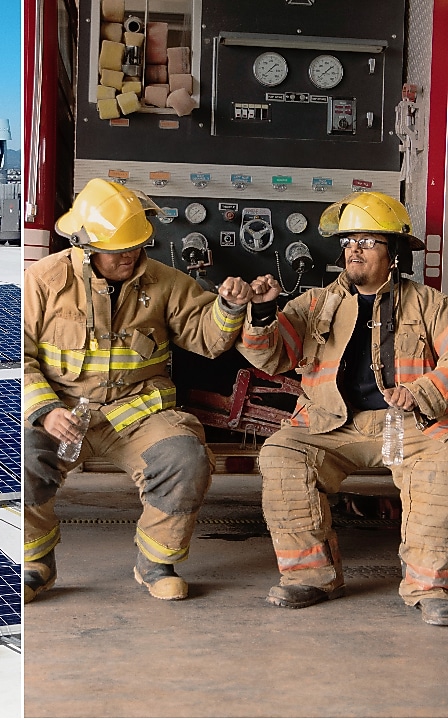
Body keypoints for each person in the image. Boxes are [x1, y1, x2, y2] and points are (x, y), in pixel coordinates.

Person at [24, 178, 252, 603]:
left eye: (136, 245)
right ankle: (35, 562)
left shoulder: (166, 282)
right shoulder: (42, 281)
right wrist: (45, 410)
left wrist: (229, 307)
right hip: (63, 414)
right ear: (87, 246)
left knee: (185, 458)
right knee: (20, 458)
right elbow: (14, 355)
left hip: (138, 414)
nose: (130, 255)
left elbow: (209, 339)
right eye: (119, 249)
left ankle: (155, 562)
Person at [238, 190, 448, 625]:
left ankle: (430, 586)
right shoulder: (316, 303)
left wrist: (423, 391)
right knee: (282, 455)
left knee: (444, 463)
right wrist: (262, 314)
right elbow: (275, 355)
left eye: (368, 241)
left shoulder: (429, 303)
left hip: (409, 424)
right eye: (350, 241)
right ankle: (310, 577)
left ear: (395, 254)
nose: (355, 249)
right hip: (330, 423)